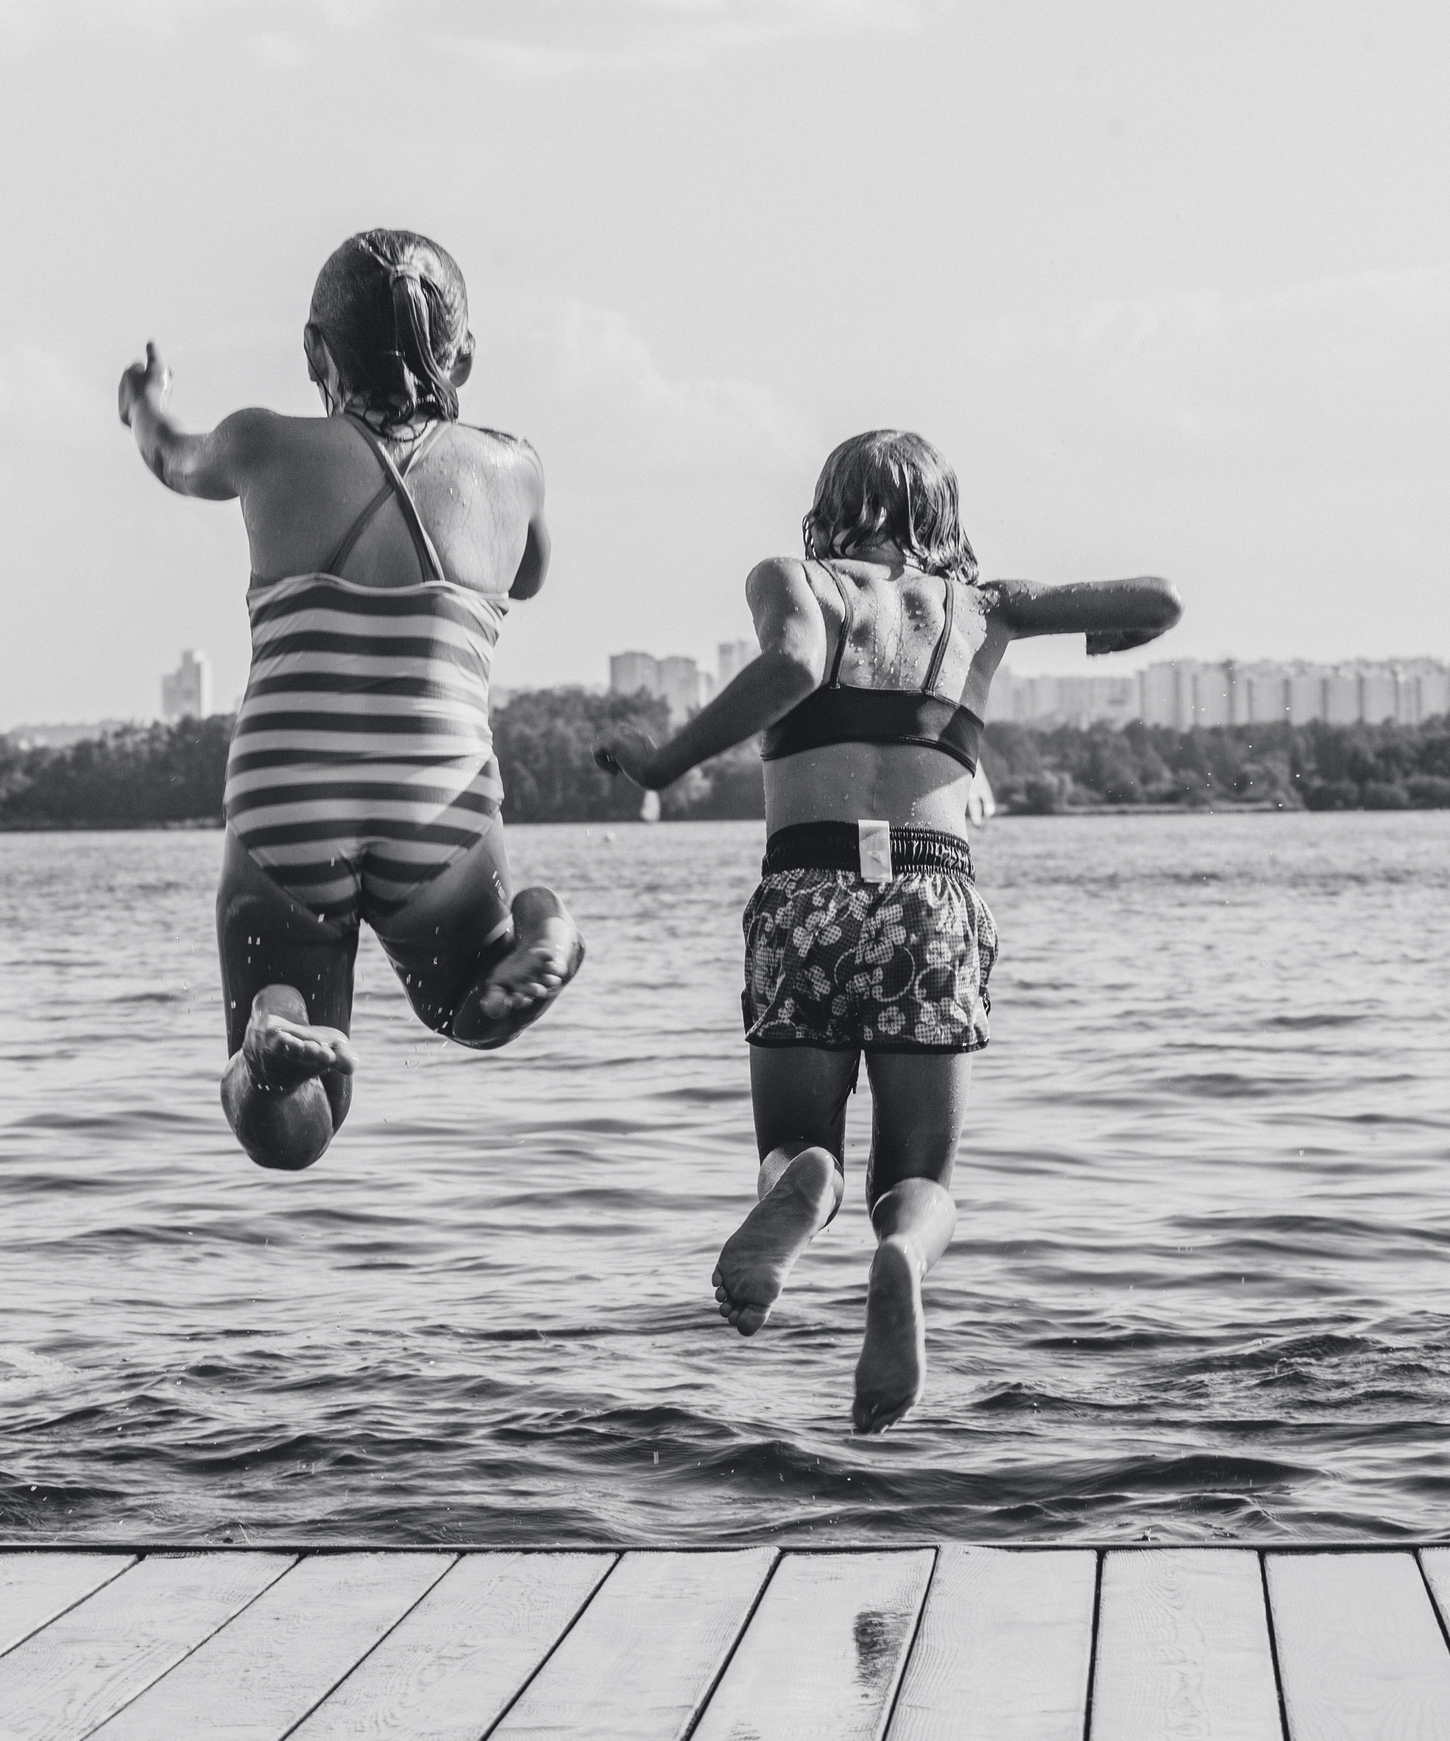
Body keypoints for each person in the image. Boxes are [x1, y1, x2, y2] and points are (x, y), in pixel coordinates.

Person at [596, 430, 1179, 1433]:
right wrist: (1070, 632)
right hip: (927, 896)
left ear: (826, 508)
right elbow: (1159, 600)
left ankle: (802, 1186)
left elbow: (788, 664)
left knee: (792, 1140)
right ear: (946, 522)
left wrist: (662, 766)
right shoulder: (987, 607)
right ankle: (901, 1254)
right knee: (919, 1176)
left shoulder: (798, 579)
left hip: (807, 889)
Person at [119, 229, 583, 1172]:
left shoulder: (261, 445)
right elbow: (531, 577)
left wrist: (143, 399)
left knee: (292, 1133)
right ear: (463, 357)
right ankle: (545, 935)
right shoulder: (512, 469)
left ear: (313, 353)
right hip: (436, 797)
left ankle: (275, 1039)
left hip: (289, 794)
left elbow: (169, 456)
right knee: (468, 1006)